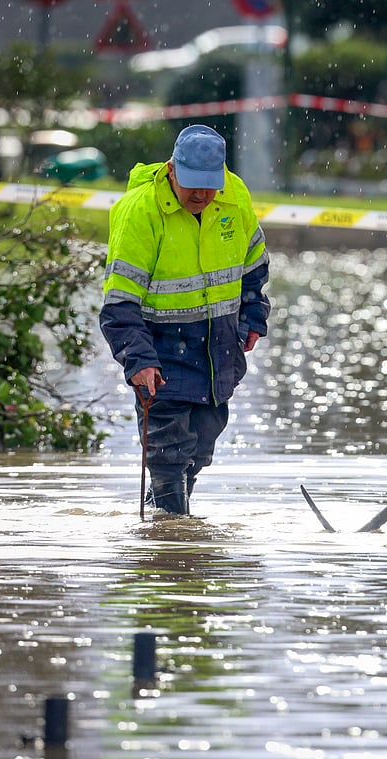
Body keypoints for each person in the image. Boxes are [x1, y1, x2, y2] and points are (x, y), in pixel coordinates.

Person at [100, 125, 271, 516]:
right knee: (167, 452)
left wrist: (253, 319)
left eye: (209, 186)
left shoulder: (236, 197)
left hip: (219, 350)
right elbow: (119, 302)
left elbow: (254, 269)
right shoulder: (140, 212)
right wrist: (138, 360)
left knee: (200, 447)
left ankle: (169, 526)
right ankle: (173, 535)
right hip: (161, 350)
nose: (200, 195)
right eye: (192, 185)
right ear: (171, 170)